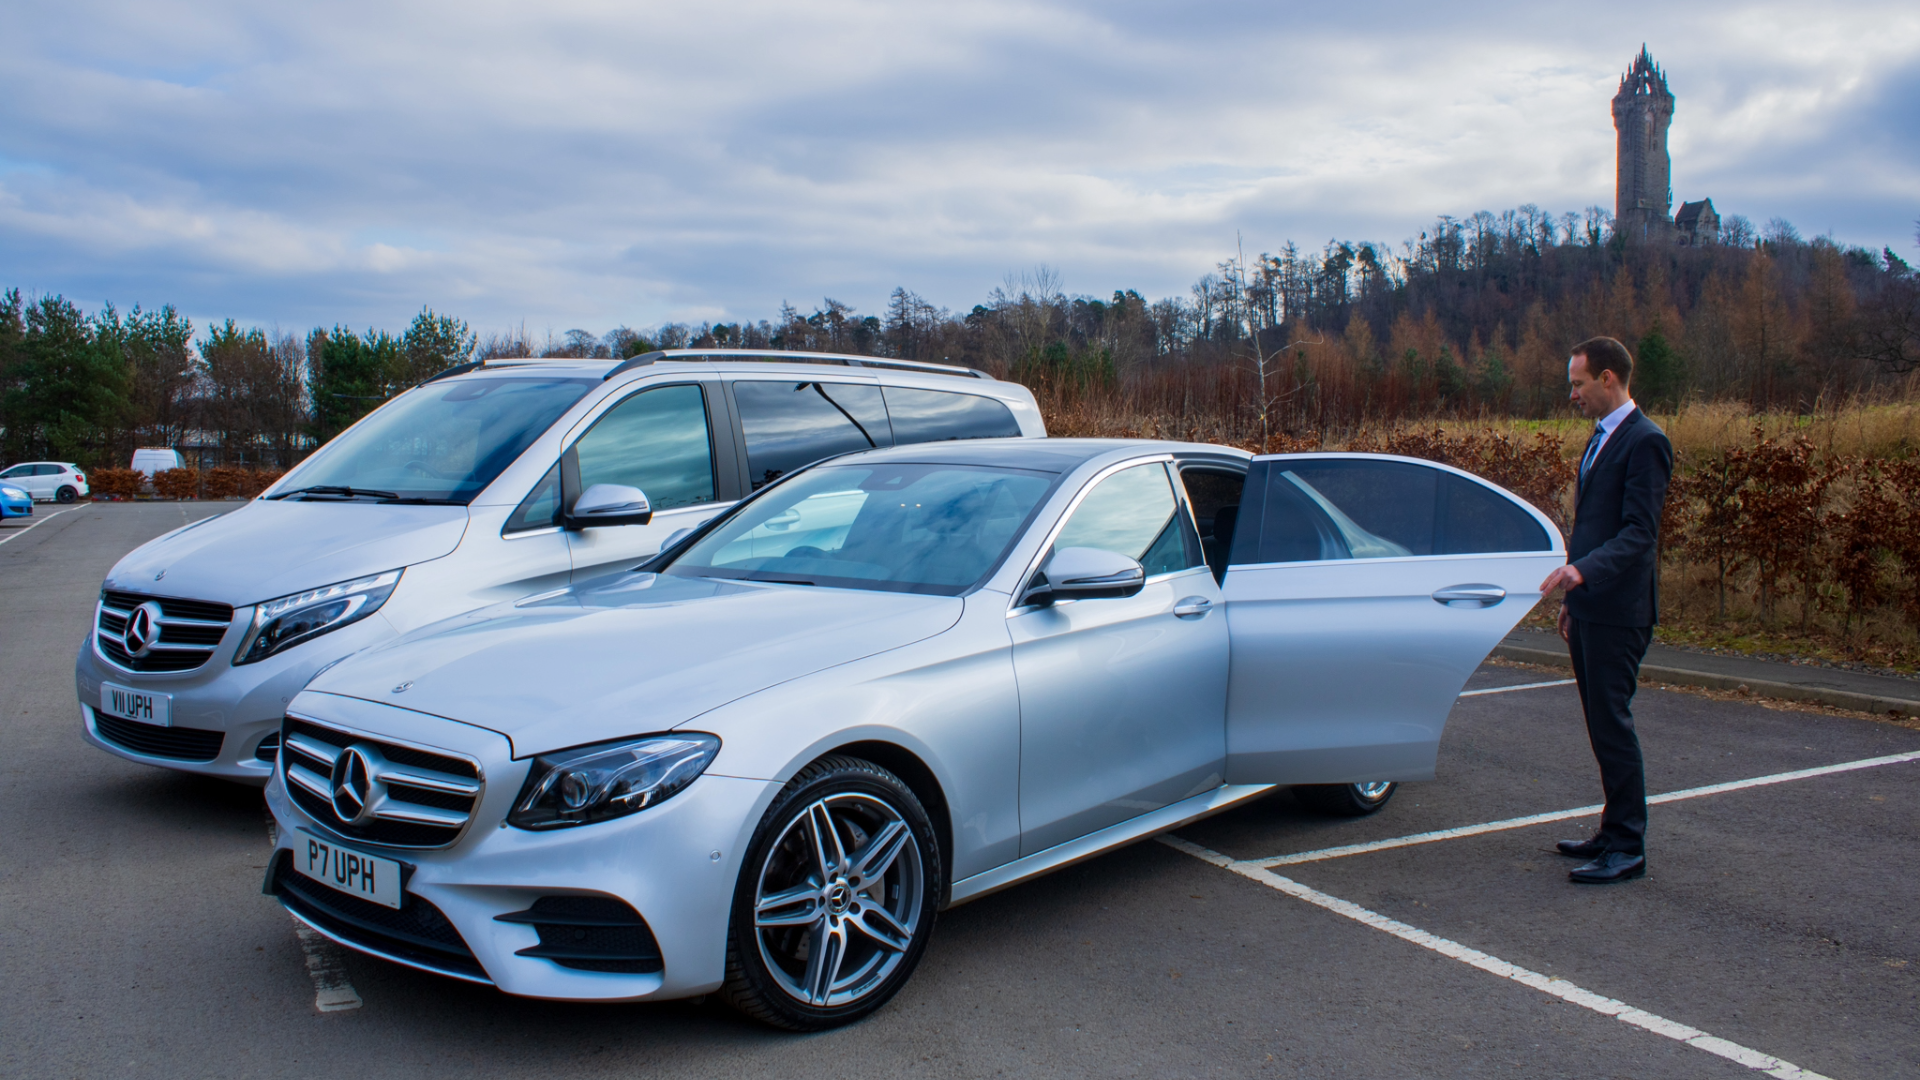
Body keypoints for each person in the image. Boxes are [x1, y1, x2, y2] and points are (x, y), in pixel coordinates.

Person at [1538, 336, 1672, 885]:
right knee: (1599, 724)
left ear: (1609, 378)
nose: (1573, 394)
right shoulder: (1600, 438)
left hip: (1621, 610)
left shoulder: (1646, 442)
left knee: (1613, 725)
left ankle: (1628, 846)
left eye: (1579, 383)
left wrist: (1583, 573)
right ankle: (1611, 828)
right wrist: (1576, 597)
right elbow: (1591, 528)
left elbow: (1640, 534)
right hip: (1592, 606)